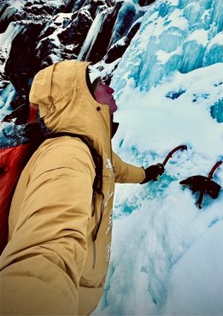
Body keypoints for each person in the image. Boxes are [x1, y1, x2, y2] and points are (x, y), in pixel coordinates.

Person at [0, 60, 164, 316]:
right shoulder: (68, 154)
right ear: (77, 98)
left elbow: (116, 169)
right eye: (99, 85)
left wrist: (146, 175)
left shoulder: (93, 149)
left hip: (76, 294)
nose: (109, 87)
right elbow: (45, 251)